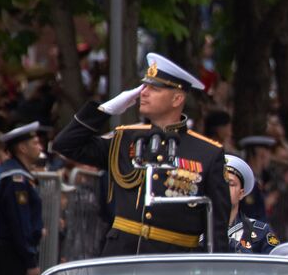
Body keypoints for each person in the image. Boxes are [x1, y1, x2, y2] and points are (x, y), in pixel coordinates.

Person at [52, 53, 229, 255]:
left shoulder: (207, 152)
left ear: (177, 98)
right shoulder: (124, 139)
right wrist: (104, 110)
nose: (143, 93)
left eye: (154, 89)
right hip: (121, 257)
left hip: (173, 263)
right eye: (144, 87)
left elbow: (217, 227)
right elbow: (65, 145)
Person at [0, 122, 45, 275]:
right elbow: (19, 223)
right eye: (35, 143)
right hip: (15, 256)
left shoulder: (21, 175)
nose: (40, 147)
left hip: (16, 253)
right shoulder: (17, 179)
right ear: (22, 148)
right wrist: (29, 260)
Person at [224, 155, 278, 254]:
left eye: (231, 184)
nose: (224, 188)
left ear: (241, 193)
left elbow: (275, 266)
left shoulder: (261, 232)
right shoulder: (197, 229)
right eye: (219, 183)